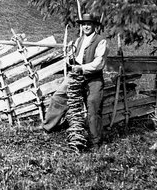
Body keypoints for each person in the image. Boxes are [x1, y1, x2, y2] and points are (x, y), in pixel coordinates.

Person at [42, 13, 108, 148]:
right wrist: (69, 59)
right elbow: (72, 58)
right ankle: (48, 127)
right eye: (84, 24)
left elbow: (99, 63)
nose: (86, 27)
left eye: (89, 24)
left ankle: (95, 141)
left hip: (93, 79)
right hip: (76, 76)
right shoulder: (78, 40)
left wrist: (81, 68)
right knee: (58, 97)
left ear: (94, 26)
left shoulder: (101, 41)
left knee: (93, 106)